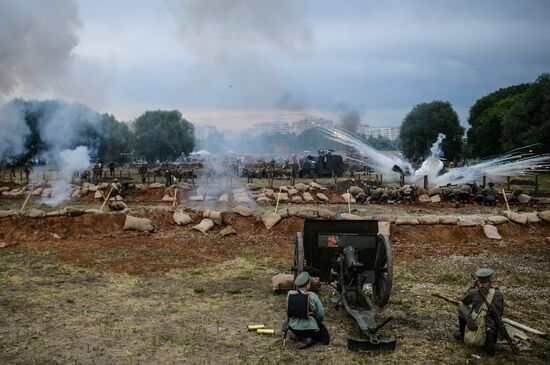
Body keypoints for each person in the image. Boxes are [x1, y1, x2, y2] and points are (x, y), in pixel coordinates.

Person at [454, 268, 504, 356]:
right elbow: (500, 312)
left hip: (478, 324)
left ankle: (462, 334)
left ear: (479, 281)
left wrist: (471, 288)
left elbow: (464, 301)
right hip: (492, 327)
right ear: (490, 281)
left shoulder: (474, 292)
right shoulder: (498, 294)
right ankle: (490, 339)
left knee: (461, 306)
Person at [286, 272, 330, 349]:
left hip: (293, 327)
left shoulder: (290, 294)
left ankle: (298, 336)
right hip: (309, 330)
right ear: (308, 285)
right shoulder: (312, 296)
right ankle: (307, 338)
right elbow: (321, 315)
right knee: (321, 330)